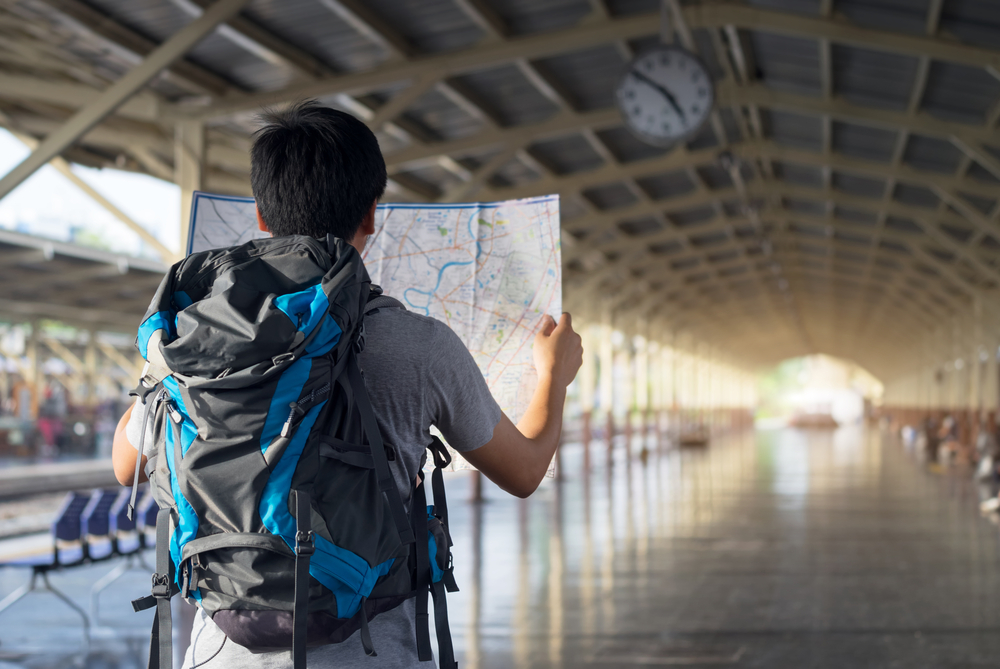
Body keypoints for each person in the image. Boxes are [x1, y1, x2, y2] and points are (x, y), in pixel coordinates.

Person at [111, 100, 583, 668]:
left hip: (222, 649)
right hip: (370, 650)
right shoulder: (419, 344)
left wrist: (169, 367)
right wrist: (554, 376)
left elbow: (125, 466)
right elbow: (524, 470)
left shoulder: (191, 338)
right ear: (372, 215)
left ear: (260, 215)